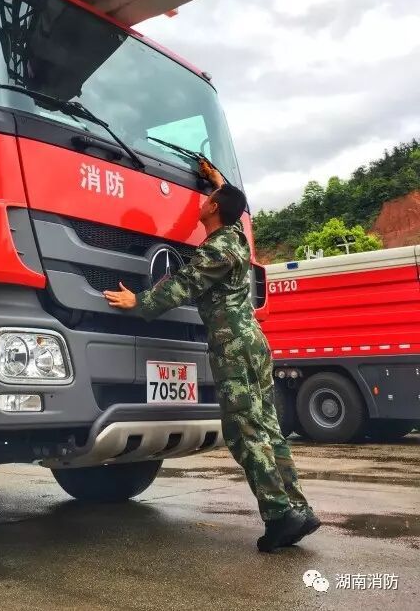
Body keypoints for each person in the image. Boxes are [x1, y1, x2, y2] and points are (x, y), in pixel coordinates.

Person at [103, 161, 320, 552]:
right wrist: (220, 181)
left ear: (214, 208)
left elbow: (184, 284)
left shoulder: (217, 249)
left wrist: (140, 302)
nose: (203, 201)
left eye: (210, 198)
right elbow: (235, 212)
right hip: (254, 343)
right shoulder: (237, 238)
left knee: (244, 431)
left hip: (233, 346)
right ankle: (299, 510)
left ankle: (279, 515)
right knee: (269, 428)